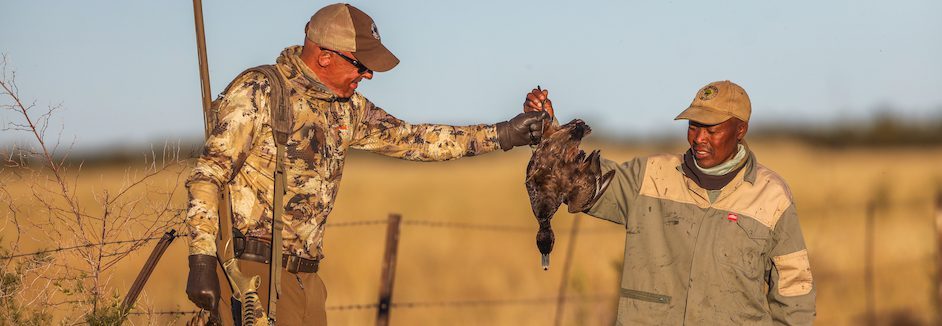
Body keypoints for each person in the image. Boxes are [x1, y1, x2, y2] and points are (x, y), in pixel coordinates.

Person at [184, 3, 549, 325]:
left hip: (308, 282)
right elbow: (208, 175)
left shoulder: (348, 108)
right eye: (361, 65)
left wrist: (503, 134)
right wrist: (201, 261)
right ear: (324, 56)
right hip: (254, 277)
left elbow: (414, 139)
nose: (368, 75)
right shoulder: (260, 90)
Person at [525, 81, 815, 325]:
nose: (699, 138)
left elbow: (794, 297)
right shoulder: (650, 176)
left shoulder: (772, 195)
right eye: (693, 126)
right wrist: (550, 130)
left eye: (712, 130)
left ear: (740, 130)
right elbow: (572, 181)